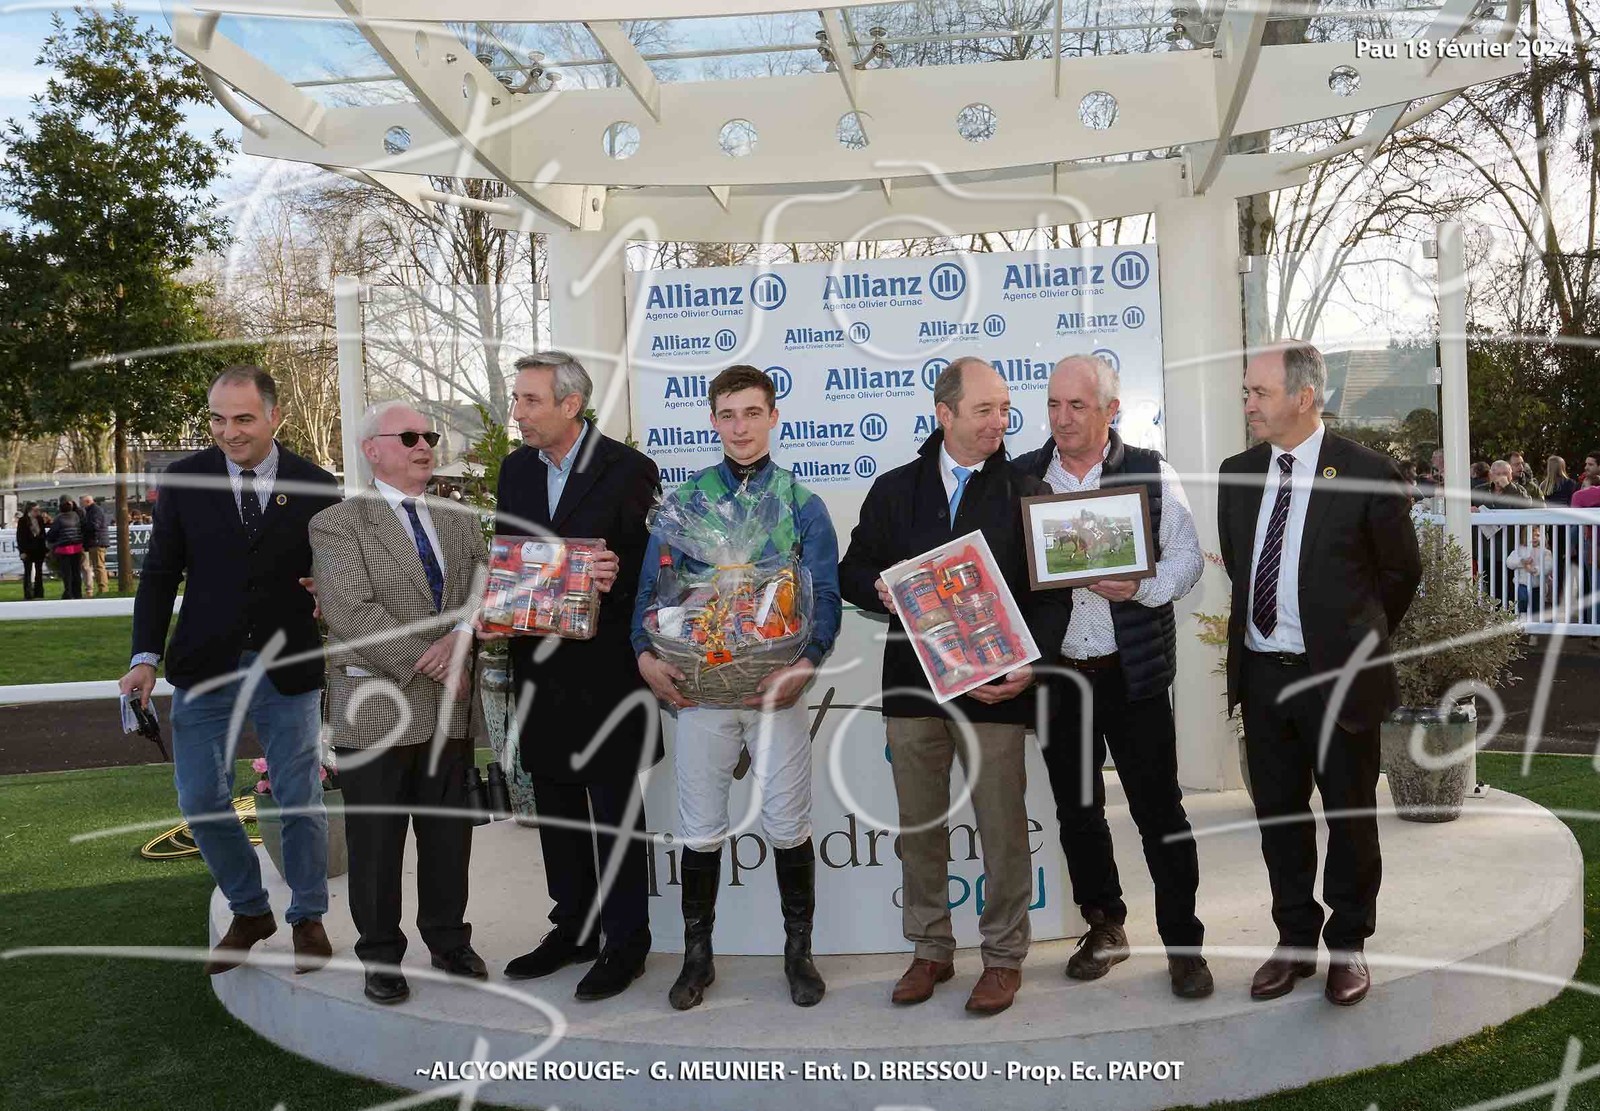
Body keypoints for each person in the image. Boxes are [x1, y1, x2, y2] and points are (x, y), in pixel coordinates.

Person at [838, 356, 1070, 1017]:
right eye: (984, 409)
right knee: (920, 827)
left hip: (996, 691)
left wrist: (1033, 665)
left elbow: (1053, 597)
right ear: (944, 414)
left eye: (1005, 409)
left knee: (1001, 829)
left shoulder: (1029, 491)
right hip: (912, 689)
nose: (1000, 422)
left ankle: (1003, 958)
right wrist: (879, 588)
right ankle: (930, 948)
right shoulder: (894, 490)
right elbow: (852, 570)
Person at [632, 364, 842, 1012]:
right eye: (728, 414)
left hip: (776, 690)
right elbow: (650, 594)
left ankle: (798, 952)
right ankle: (698, 957)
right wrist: (644, 654)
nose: (740, 427)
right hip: (702, 692)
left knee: (787, 821)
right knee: (699, 827)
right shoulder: (684, 503)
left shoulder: (802, 504)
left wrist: (806, 661)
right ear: (713, 420)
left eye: (752, 413)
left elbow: (827, 598)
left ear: (773, 417)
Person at [119, 365, 342, 977]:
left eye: (243, 418)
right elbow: (159, 575)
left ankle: (308, 917)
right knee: (200, 797)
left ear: (275, 416)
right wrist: (144, 657)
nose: (229, 431)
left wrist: (327, 592)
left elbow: (337, 574)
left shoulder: (317, 485)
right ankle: (249, 910)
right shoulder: (183, 479)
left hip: (288, 666)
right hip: (205, 666)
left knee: (298, 799)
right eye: (218, 419)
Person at [1218, 341, 1420, 1007]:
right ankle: (1295, 941)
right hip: (1264, 680)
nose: (1248, 404)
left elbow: (1400, 574)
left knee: (1350, 817)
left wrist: (1351, 638)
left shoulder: (1367, 472)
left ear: (1304, 397)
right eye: (1247, 392)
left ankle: (1349, 942)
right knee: (1279, 818)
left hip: (1339, 681)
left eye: (1260, 393)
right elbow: (1242, 567)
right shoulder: (1237, 473)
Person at [1010, 354, 1211, 1000]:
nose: (1062, 418)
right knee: (1078, 812)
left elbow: (1188, 559)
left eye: (1077, 405)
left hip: (1135, 675)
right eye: (1053, 404)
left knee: (1160, 811)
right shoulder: (1021, 478)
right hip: (1059, 679)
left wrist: (1141, 585)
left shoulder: (1151, 471)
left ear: (1111, 410)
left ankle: (1184, 943)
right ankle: (1105, 925)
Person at [490, 352, 661, 1002]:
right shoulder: (515, 470)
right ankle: (574, 928)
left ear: (571, 404)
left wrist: (617, 575)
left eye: (530, 400)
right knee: (557, 809)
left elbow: (654, 569)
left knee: (614, 813)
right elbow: (512, 557)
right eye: (517, 398)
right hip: (539, 669)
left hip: (606, 673)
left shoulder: (629, 469)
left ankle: (626, 943)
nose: (518, 412)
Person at [310, 401, 488, 1006]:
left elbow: (482, 589)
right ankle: (381, 956)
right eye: (408, 436)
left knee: (448, 838)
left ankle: (449, 941)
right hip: (376, 707)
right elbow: (350, 614)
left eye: (428, 436)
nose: (423, 446)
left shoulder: (460, 521)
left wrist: (460, 640)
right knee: (377, 844)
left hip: (449, 709)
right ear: (372, 450)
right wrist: (430, 660)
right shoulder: (338, 523)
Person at [1507, 526, 1552, 621]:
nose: (1534, 538)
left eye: (1537, 535)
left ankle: (1535, 623)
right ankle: (1523, 615)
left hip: (1538, 585)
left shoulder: (1545, 552)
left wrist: (1535, 570)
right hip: (1522, 583)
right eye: (1531, 535)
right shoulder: (1520, 550)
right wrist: (1521, 562)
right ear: (1525, 536)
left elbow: (1548, 566)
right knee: (1522, 598)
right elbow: (1509, 562)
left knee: (1536, 606)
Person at [45, 497, 84, 599]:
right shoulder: (76, 516)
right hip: (77, 547)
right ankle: (77, 592)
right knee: (76, 572)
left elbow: (52, 533)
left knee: (67, 573)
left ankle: (68, 592)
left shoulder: (59, 518)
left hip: (64, 548)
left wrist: (51, 540)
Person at [16, 503, 47, 600]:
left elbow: (43, 535)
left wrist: (45, 550)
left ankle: (39, 593)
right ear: (30, 510)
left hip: (39, 549)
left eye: (38, 510)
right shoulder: (23, 521)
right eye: (35, 510)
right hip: (27, 550)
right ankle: (28, 593)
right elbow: (20, 537)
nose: (38, 512)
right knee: (28, 572)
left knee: (39, 572)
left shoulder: (40, 519)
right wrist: (22, 551)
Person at [80, 494, 110, 596]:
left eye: (82, 503)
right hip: (96, 541)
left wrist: (83, 527)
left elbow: (94, 526)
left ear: (87, 502)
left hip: (97, 542)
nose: (81, 505)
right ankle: (102, 588)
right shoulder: (93, 510)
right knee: (98, 566)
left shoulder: (95, 511)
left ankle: (103, 589)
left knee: (99, 567)